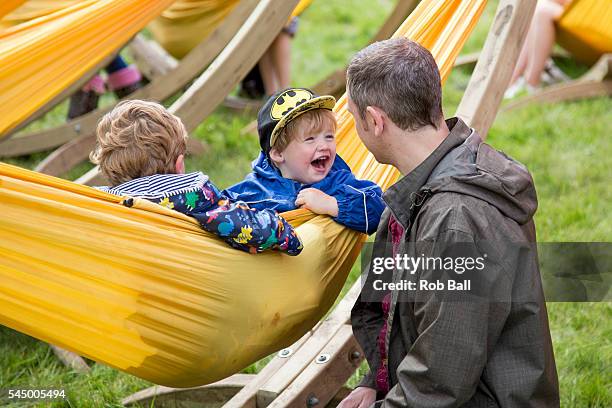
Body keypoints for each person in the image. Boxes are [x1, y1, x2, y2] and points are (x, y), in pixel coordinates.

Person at [338, 38, 559, 407]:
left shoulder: (456, 220)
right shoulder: (431, 177)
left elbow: (440, 383)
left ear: (375, 121)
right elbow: (409, 317)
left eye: (353, 115)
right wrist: (373, 382)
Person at [90, 100, 302, 256]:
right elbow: (247, 227)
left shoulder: (99, 204)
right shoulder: (191, 195)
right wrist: (282, 230)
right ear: (179, 164)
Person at [223, 88, 385, 235]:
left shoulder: (337, 181)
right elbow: (218, 211)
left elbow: (380, 210)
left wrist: (332, 205)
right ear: (279, 154)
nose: (323, 145)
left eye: (329, 136)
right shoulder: (255, 188)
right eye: (310, 139)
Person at [505, 0, 572, 98]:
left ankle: (532, 82)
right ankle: (511, 79)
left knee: (542, 11)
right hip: (582, 10)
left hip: (592, 17)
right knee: (535, 6)